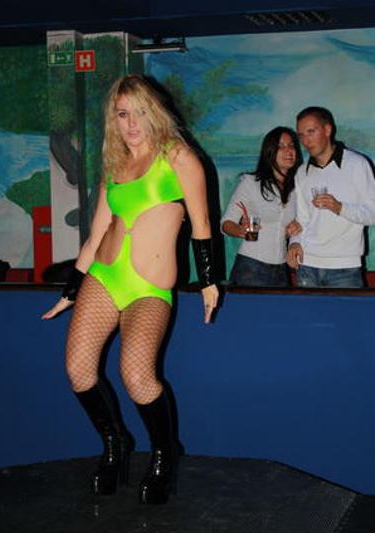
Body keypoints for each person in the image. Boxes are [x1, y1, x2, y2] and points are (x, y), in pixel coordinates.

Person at [42, 74, 219, 505]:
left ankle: (164, 452)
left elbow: (202, 225)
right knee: (78, 371)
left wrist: (209, 280)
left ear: (154, 112)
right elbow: (96, 234)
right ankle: (114, 442)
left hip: (149, 287)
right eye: (123, 114)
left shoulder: (178, 156)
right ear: (113, 118)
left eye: (139, 112)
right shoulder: (114, 164)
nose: (131, 123)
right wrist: (71, 289)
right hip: (105, 276)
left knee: (137, 377)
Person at [287, 106, 375, 287]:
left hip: (345, 268)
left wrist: (340, 207)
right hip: (306, 264)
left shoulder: (357, 164)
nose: (305, 141)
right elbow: (301, 219)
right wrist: (294, 243)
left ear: (327, 130)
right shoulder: (302, 172)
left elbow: (373, 214)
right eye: (301, 135)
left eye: (311, 132)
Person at [221, 127, 302, 287]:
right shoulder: (250, 183)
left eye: (291, 145)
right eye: (281, 146)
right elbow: (226, 223)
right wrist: (240, 230)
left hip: (281, 269)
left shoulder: (298, 187)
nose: (288, 150)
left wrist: (296, 228)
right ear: (270, 152)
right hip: (251, 267)